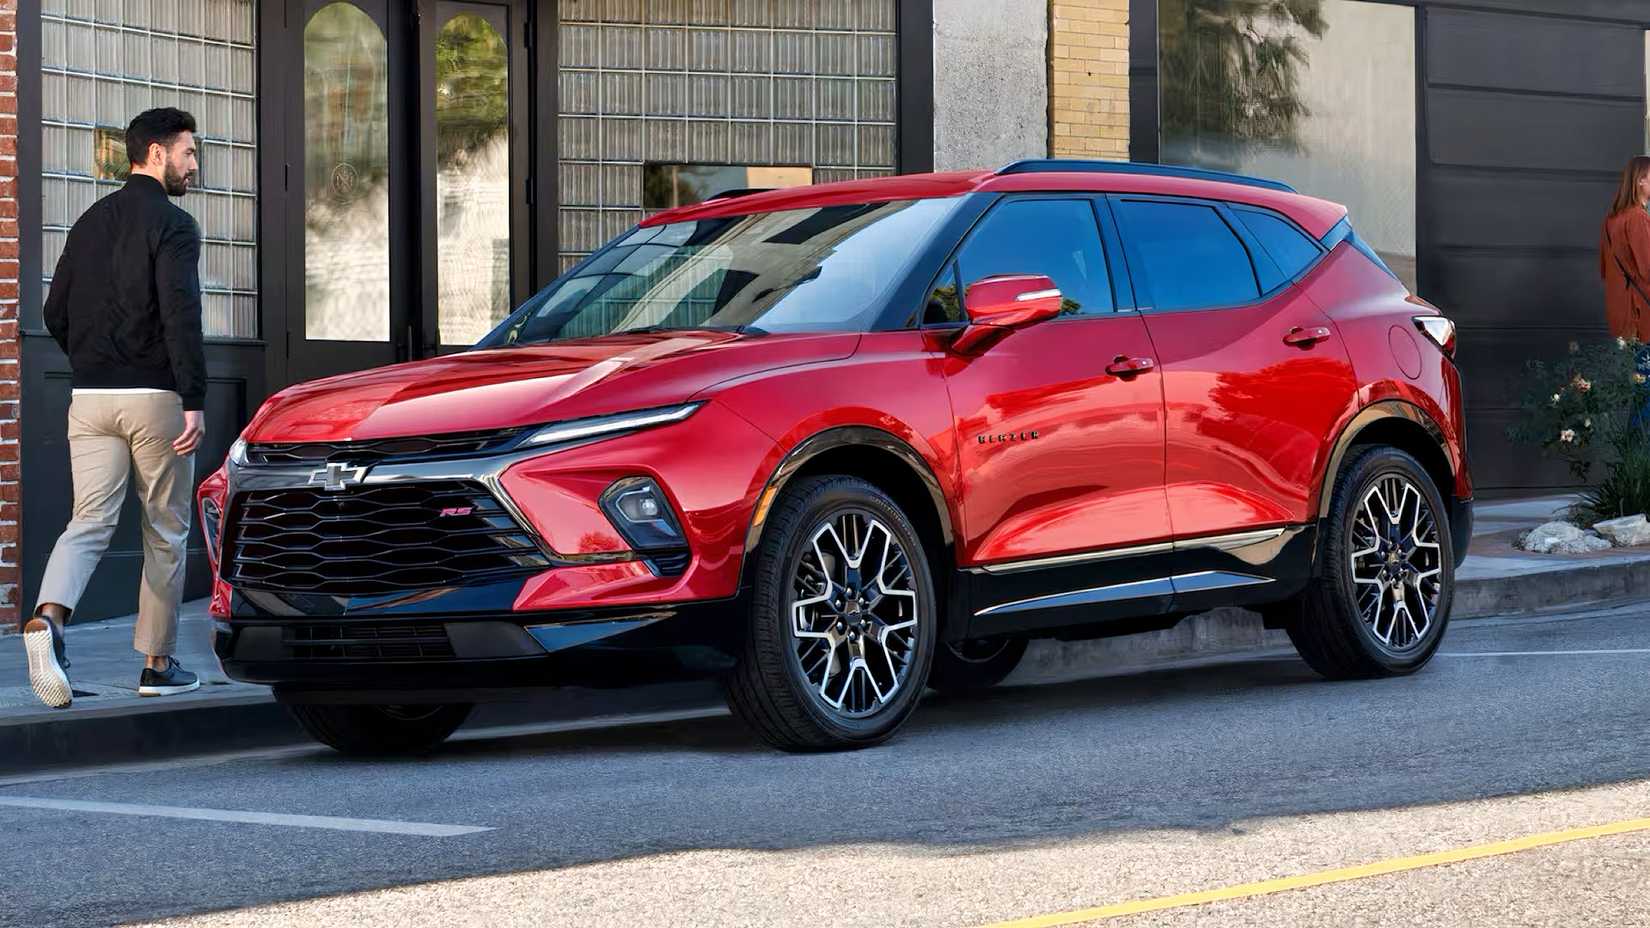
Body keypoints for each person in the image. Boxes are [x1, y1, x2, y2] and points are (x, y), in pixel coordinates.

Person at [21, 108, 206, 709]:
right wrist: (194, 399)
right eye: (187, 153)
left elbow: (55, 312)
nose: (193, 165)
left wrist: (94, 358)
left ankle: (48, 621)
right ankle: (157, 662)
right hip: (155, 398)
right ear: (155, 153)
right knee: (165, 528)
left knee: (89, 521)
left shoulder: (89, 220)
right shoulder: (174, 225)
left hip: (91, 397)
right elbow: (181, 315)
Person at [1601, 155, 1650, 344]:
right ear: (1640, 180)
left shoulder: (1610, 220)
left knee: (1628, 371)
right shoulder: (1637, 218)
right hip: (1641, 313)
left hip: (1619, 312)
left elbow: (1605, 269)